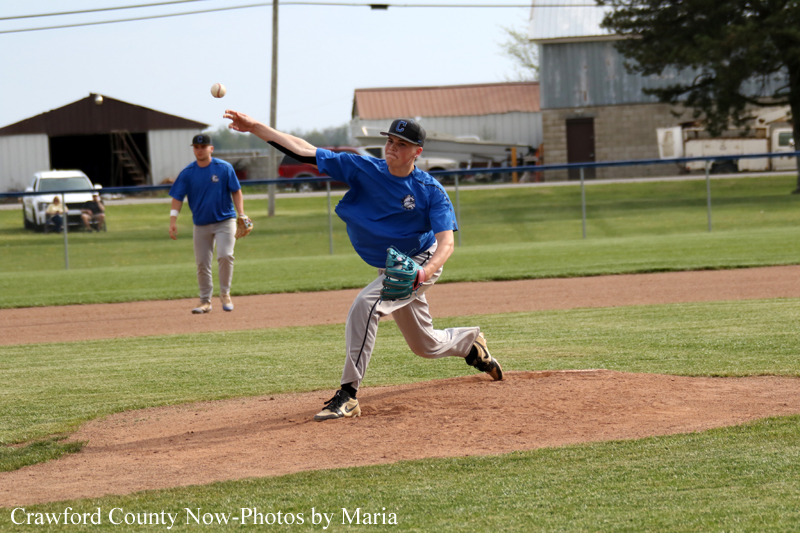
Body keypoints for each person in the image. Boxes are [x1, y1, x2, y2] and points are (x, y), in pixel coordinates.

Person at [224, 110, 503, 422]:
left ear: (417, 152)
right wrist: (255, 127)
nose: (392, 147)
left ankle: (348, 394)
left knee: (365, 306)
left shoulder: (429, 190)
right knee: (425, 345)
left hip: (421, 261)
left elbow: (446, 242)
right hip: (392, 266)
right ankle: (470, 343)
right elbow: (303, 150)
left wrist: (423, 273)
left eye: (402, 143)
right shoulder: (364, 168)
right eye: (391, 140)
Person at [169, 133, 248, 314]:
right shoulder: (188, 173)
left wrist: (241, 213)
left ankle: (225, 294)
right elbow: (177, 197)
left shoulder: (224, 168)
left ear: (211, 149)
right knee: (202, 263)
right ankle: (205, 301)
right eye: (196, 147)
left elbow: (236, 191)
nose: (199, 150)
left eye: (203, 147)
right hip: (201, 224)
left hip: (225, 221)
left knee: (225, 255)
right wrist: (173, 220)